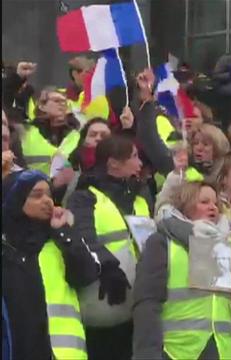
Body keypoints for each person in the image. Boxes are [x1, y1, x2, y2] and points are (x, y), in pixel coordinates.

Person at [133, 180, 231, 359]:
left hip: (221, 350)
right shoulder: (162, 242)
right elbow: (146, 302)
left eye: (215, 203)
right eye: (204, 202)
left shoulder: (227, 244)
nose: (213, 207)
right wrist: (147, 354)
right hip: (175, 351)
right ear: (185, 205)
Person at [66, 135, 152, 360]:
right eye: (134, 157)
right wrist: (109, 266)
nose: (140, 163)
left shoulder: (140, 198)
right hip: (103, 299)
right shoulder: (85, 197)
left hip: (137, 305)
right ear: (113, 163)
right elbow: (82, 236)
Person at [2, 170, 99, 359]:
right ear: (15, 200)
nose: (47, 201)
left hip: (66, 353)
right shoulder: (7, 250)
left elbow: (87, 274)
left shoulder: (59, 240)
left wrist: (64, 232)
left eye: (49, 194)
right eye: (37, 195)